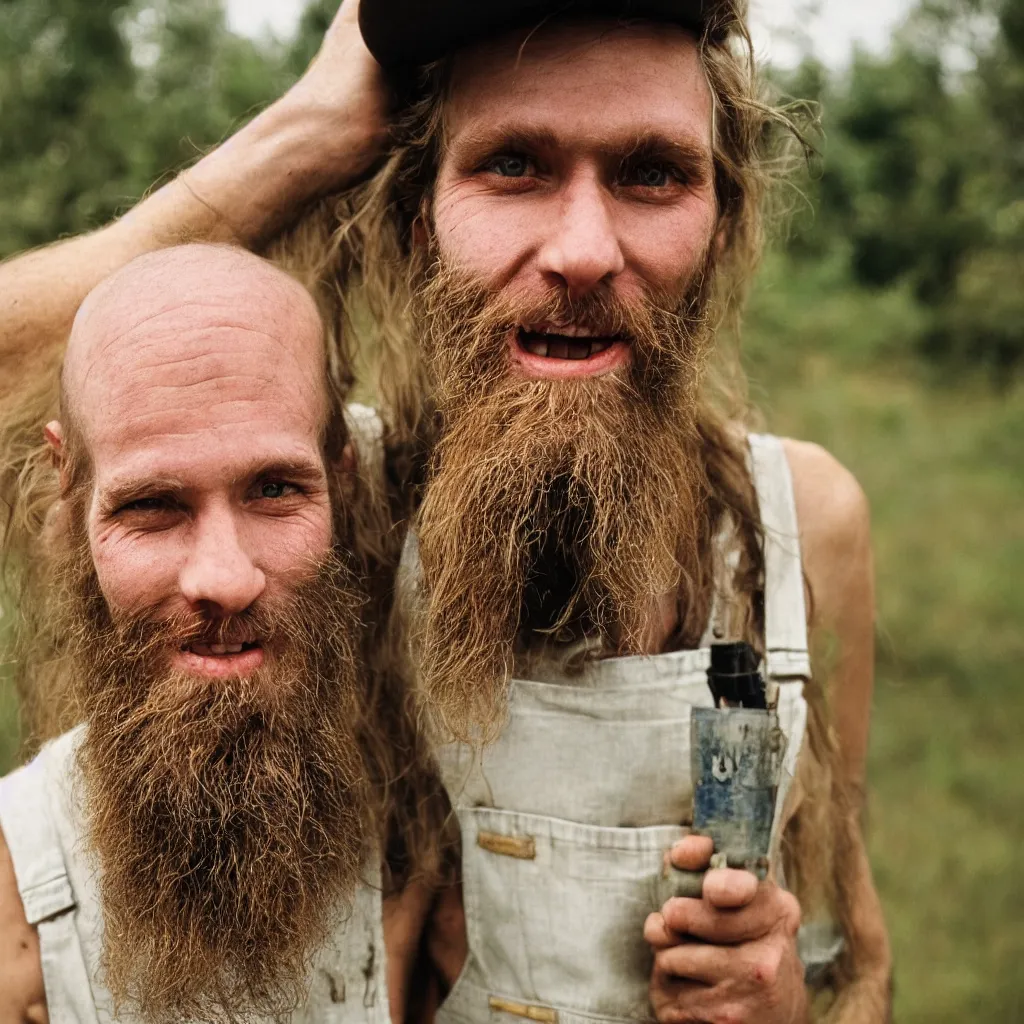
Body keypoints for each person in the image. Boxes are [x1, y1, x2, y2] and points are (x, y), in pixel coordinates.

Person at [0, 1, 893, 1021]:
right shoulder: (324, 511)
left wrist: (784, 998)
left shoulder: (795, 529)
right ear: (421, 220)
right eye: (512, 164)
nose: (584, 250)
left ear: (723, 221)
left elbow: (851, 958)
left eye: (651, 172)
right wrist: (298, 141)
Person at [0, 244, 437, 1024]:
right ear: (71, 489)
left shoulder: (425, 854)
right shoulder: (18, 897)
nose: (225, 578)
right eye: (152, 506)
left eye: (275, 490)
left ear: (340, 478)